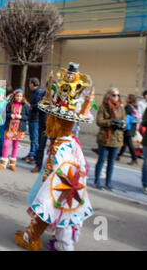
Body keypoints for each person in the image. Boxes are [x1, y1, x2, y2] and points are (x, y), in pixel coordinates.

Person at [15, 62, 94, 251]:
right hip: (68, 192)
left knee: (63, 225)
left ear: (57, 122)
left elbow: (54, 175)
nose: (48, 121)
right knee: (64, 224)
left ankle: (44, 240)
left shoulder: (62, 145)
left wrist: (46, 197)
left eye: (51, 118)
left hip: (62, 193)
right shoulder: (71, 142)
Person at [94, 88, 126, 191]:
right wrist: (111, 122)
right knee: (101, 160)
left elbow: (124, 121)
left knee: (111, 162)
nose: (116, 97)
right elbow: (99, 121)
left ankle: (108, 182)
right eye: (114, 95)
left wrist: (122, 124)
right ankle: (97, 181)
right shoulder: (103, 107)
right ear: (109, 95)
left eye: (117, 95)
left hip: (117, 138)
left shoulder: (121, 107)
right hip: (105, 138)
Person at [0, 89, 29, 171]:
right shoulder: (9, 104)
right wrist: (10, 115)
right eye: (17, 96)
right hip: (10, 128)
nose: (19, 97)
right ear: (14, 96)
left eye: (20, 96)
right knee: (6, 145)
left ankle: (12, 164)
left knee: (15, 146)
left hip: (19, 129)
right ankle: (3, 164)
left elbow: (28, 117)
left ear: (23, 97)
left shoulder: (25, 106)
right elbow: (4, 114)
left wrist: (21, 117)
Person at [23, 78, 45, 164]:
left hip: (36, 119)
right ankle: (31, 154)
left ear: (32, 84)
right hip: (33, 118)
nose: (29, 86)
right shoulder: (36, 92)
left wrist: (27, 103)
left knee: (34, 138)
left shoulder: (39, 93)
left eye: (29, 84)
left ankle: (33, 156)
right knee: (32, 138)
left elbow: (37, 106)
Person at [117, 94, 140, 165]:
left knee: (129, 143)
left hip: (128, 127)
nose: (125, 98)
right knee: (125, 142)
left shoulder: (128, 106)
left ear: (129, 99)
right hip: (132, 126)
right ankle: (118, 155)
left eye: (127, 97)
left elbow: (124, 116)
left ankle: (134, 158)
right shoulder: (134, 106)